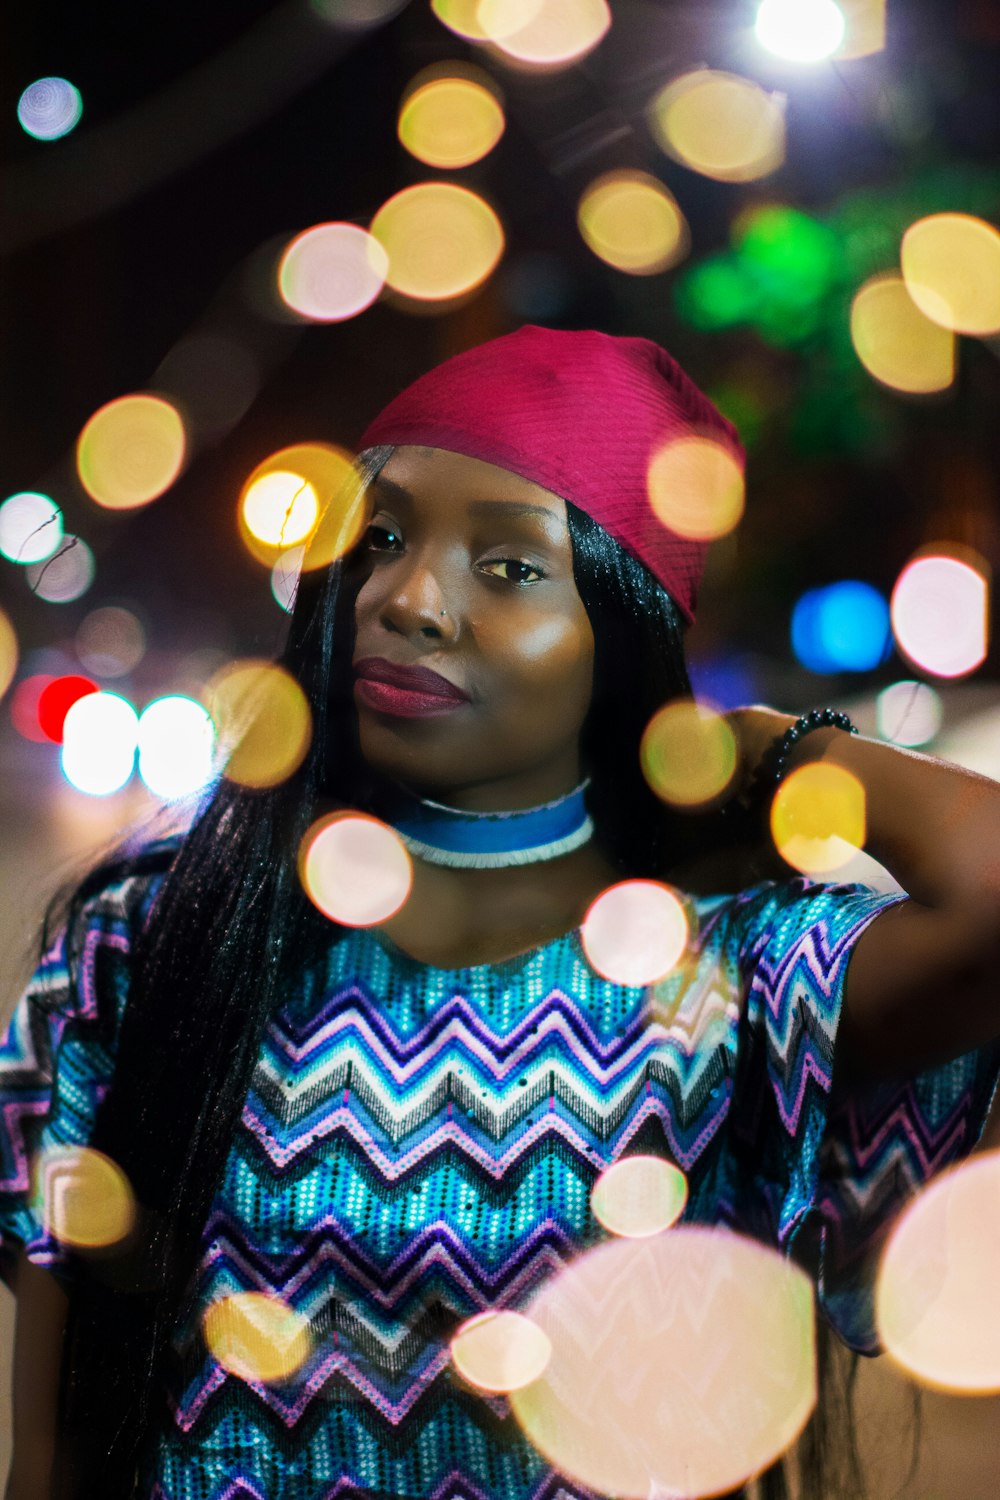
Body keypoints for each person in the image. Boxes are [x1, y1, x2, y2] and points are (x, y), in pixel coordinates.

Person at [1, 325, 999, 1500]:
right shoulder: (152, 935)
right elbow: (54, 1453)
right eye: (380, 539)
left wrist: (765, 752)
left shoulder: (725, 972)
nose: (408, 599)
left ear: (616, 638)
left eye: (510, 567)